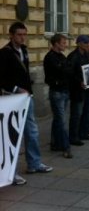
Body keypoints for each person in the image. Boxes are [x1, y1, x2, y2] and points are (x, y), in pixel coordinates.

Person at [0, 22, 53, 185]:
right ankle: (11, 172)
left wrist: (28, 90)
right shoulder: (4, 53)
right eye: (19, 35)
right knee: (12, 135)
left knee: (32, 131)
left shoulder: (24, 50)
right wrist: (16, 88)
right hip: (11, 100)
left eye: (24, 34)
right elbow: (1, 78)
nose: (22, 37)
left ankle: (34, 163)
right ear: (11, 35)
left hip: (26, 98)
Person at [43, 33, 72, 159]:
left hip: (64, 90)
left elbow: (68, 70)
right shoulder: (50, 57)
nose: (66, 45)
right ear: (56, 44)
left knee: (58, 119)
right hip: (57, 92)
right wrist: (65, 70)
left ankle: (55, 144)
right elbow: (63, 71)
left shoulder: (61, 56)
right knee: (61, 120)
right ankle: (66, 147)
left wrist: (66, 69)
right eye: (63, 43)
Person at [67, 35, 89, 145]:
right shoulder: (73, 56)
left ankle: (83, 133)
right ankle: (73, 137)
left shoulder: (87, 55)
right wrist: (79, 81)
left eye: (88, 42)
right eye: (85, 43)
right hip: (77, 89)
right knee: (76, 114)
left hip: (87, 87)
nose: (88, 44)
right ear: (79, 43)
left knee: (86, 111)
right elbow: (70, 73)